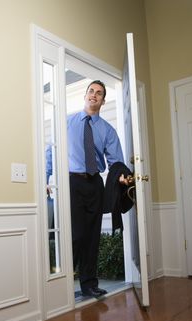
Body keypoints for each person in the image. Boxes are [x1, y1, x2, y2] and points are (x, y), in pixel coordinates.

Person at [68, 80, 129, 298]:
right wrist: (47, 177)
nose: (94, 95)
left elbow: (116, 161)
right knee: (74, 235)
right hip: (72, 183)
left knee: (92, 236)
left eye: (99, 93)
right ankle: (64, 283)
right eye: (91, 91)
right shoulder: (67, 122)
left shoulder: (107, 130)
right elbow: (50, 152)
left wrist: (122, 176)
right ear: (85, 95)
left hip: (95, 183)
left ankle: (89, 284)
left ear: (103, 101)